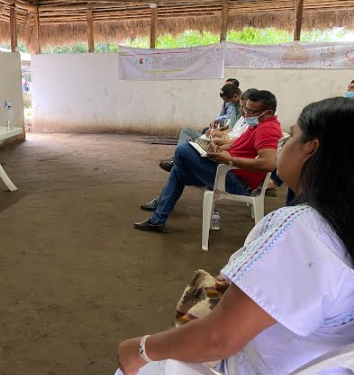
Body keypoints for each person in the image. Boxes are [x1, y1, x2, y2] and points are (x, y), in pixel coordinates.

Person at [116, 96, 354, 375]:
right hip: (302, 361)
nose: (284, 143)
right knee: (182, 163)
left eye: (292, 136)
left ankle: (161, 210)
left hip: (256, 366)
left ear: (310, 149)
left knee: (136, 365)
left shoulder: (300, 229)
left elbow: (217, 340)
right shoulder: (339, 224)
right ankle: (161, 211)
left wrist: (140, 349)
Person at [136, 90, 283, 232]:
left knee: (183, 151)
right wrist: (220, 147)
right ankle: (157, 221)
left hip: (235, 180)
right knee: (178, 171)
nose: (246, 114)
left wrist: (230, 160)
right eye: (245, 109)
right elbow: (240, 144)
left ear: (268, 113)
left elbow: (268, 164)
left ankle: (178, 162)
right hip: (227, 172)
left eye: (251, 112)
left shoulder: (267, 129)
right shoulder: (256, 125)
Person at [159, 84, 242, 172]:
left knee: (192, 143)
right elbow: (233, 128)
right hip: (224, 136)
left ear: (235, 96)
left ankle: (177, 161)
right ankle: (178, 159)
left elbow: (236, 136)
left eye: (228, 101)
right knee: (188, 134)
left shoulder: (244, 112)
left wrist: (218, 137)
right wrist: (220, 130)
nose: (243, 110)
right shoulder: (236, 108)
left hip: (225, 140)